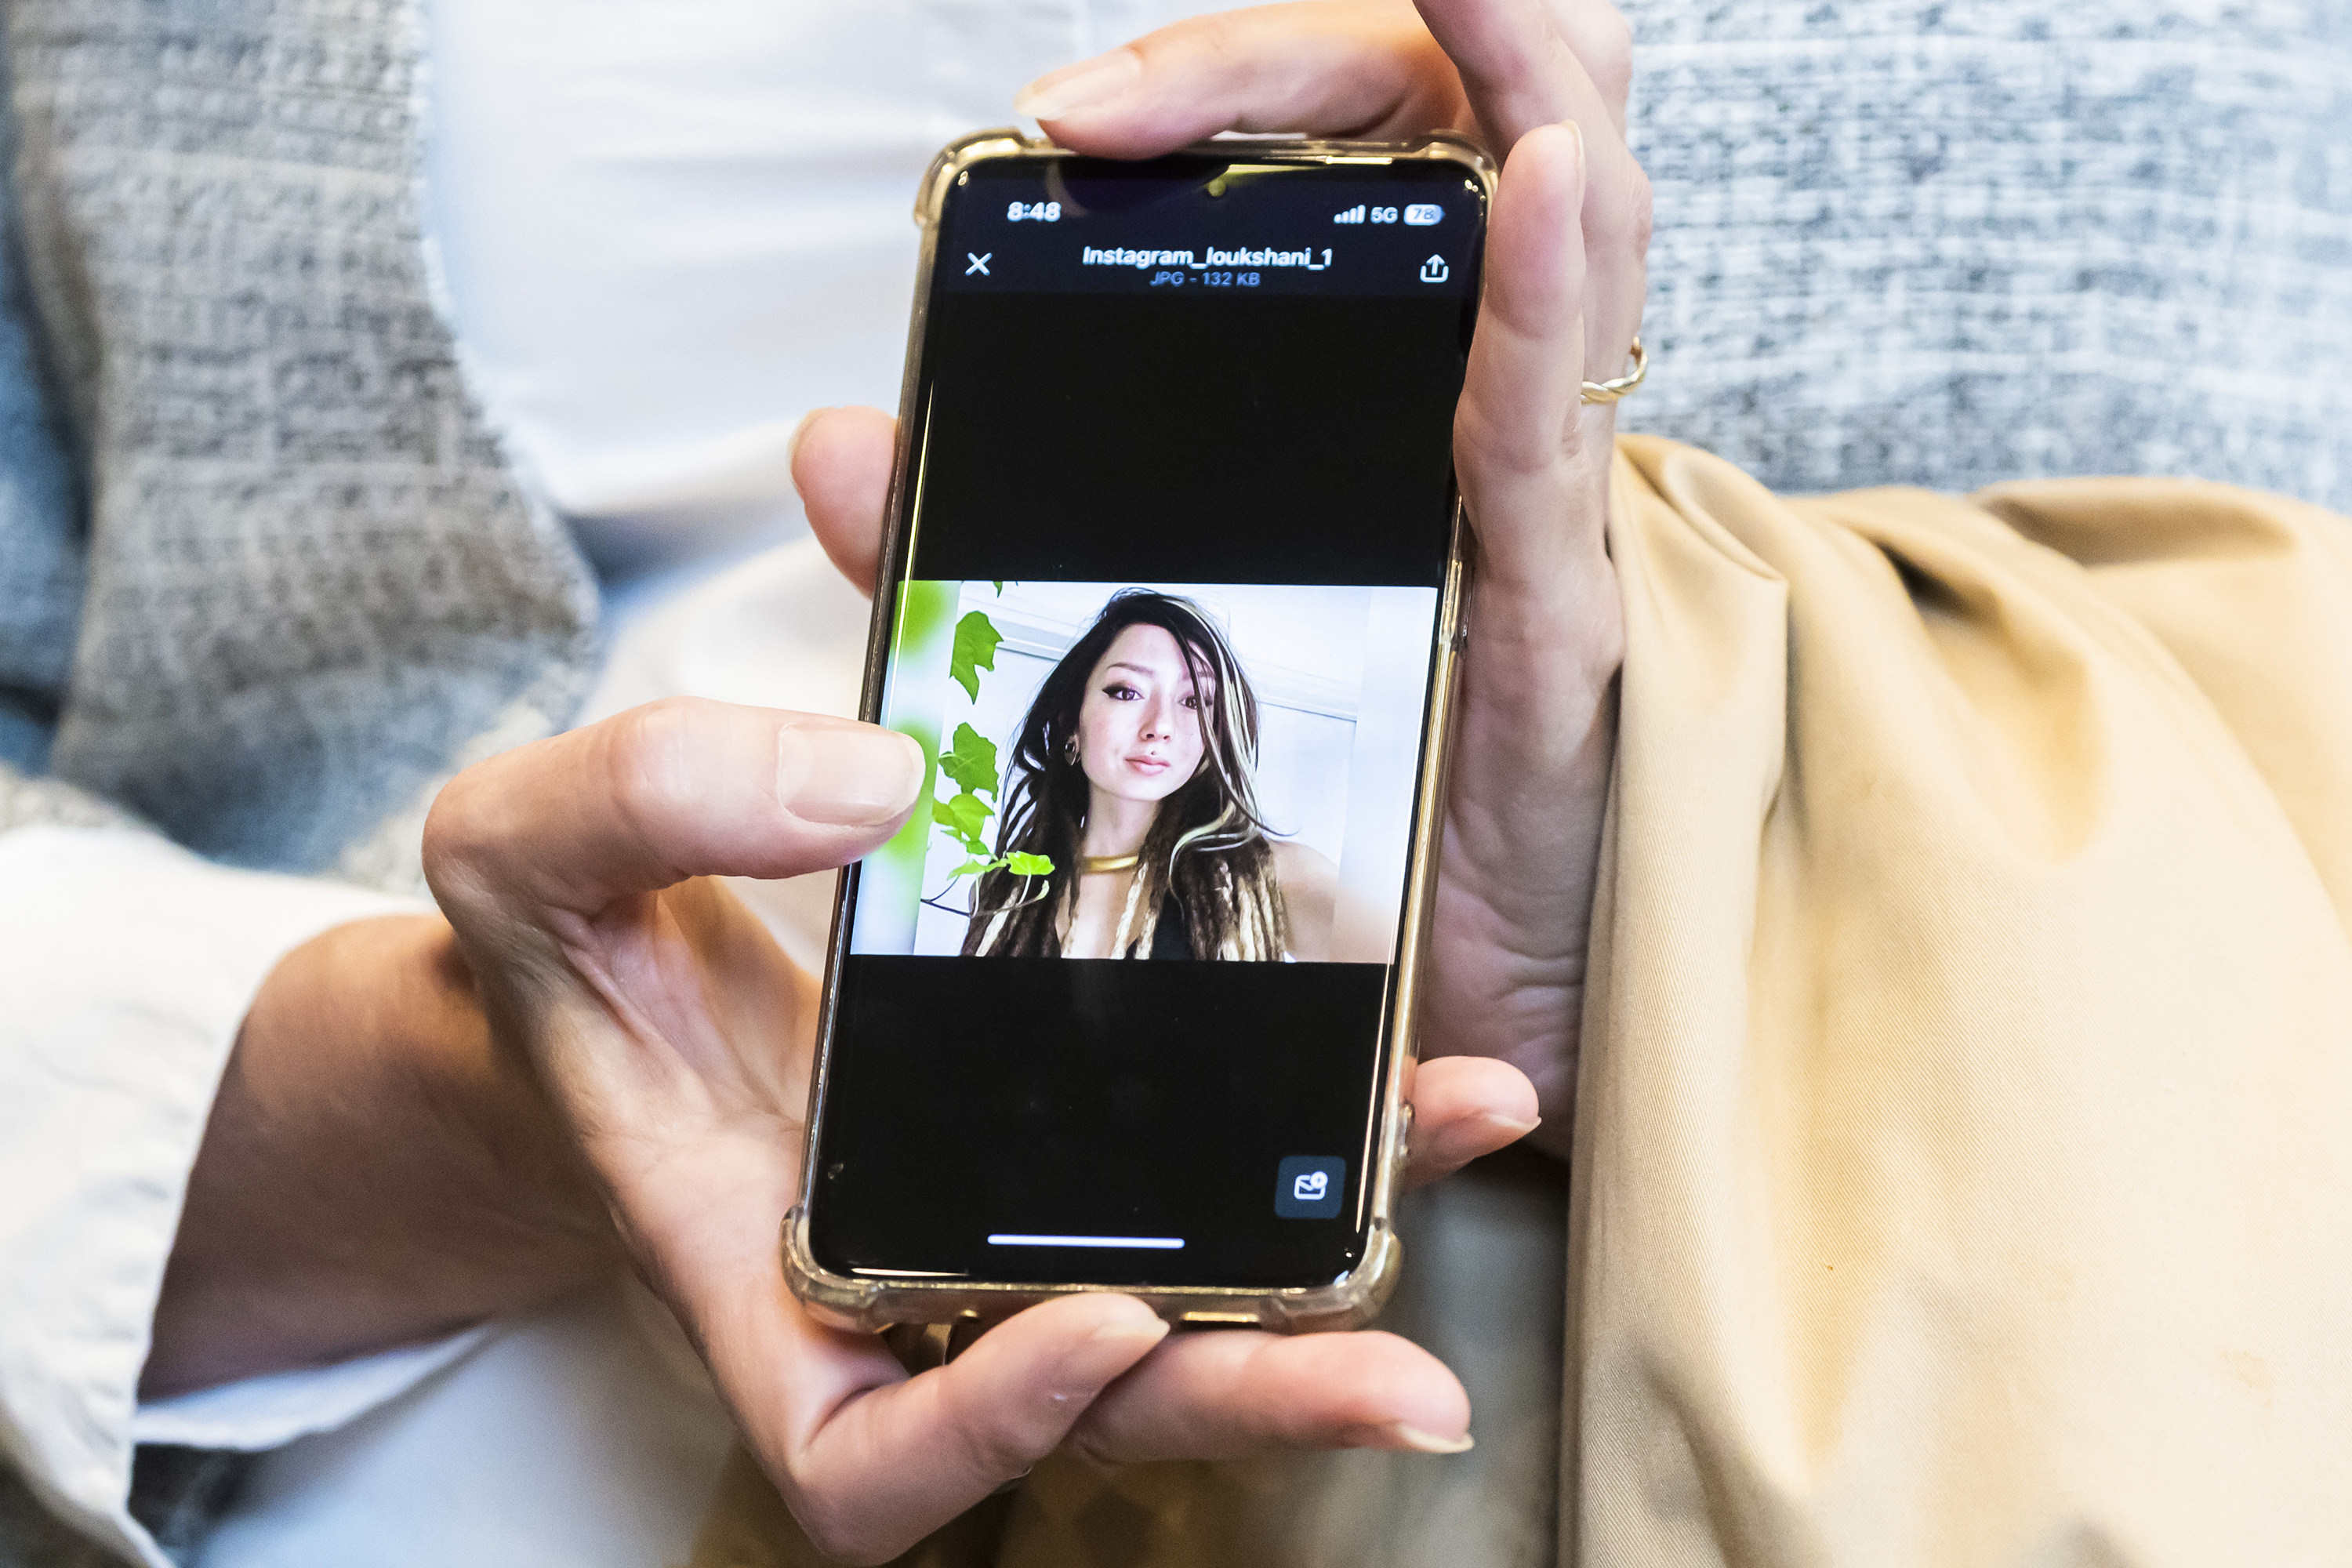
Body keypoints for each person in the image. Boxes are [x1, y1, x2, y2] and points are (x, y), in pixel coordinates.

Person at [963, 590, 1345, 961]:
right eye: (1127, 692)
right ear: (1071, 721)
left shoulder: (1275, 876)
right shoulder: (1003, 892)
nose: (1161, 725)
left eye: (1193, 701)